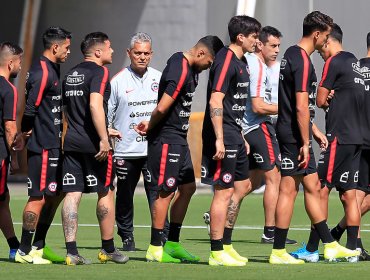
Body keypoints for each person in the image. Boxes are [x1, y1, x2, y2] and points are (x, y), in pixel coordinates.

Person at [269, 12, 360, 264]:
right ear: (317, 34)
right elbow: (299, 106)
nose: (326, 41)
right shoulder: (303, 61)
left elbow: (296, 104)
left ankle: (327, 244)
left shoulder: (290, 55)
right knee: (289, 190)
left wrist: (314, 131)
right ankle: (278, 252)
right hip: (293, 136)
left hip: (294, 132)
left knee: (312, 188)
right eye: (326, 36)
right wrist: (306, 143)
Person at [135, 35, 224, 263]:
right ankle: (156, 247)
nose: (208, 69)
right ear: (201, 54)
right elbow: (163, 106)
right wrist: (150, 124)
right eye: (210, 63)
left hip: (179, 139)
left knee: (188, 188)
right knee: (166, 191)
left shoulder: (191, 68)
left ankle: (172, 243)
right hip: (166, 139)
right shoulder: (180, 67)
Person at [291, 24, 366, 262]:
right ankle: (353, 250)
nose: (320, 51)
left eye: (322, 45)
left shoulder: (334, 62)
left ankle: (313, 249)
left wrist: (326, 97)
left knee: (319, 189)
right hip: (358, 139)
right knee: (350, 195)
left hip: (340, 136)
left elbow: (321, 98)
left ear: (327, 41)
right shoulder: (355, 63)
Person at [61, 32, 128, 265]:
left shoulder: (70, 74)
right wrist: (103, 137)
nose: (112, 51)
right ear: (98, 52)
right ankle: (108, 249)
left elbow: (70, 111)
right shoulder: (100, 72)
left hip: (71, 142)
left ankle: (71, 252)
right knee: (106, 191)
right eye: (109, 48)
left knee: (72, 193)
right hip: (93, 145)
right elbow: (94, 105)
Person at [201, 15, 261, 267]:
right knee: (223, 191)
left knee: (242, 185)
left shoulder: (243, 62)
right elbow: (216, 100)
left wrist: (240, 135)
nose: (257, 41)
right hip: (221, 133)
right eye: (254, 36)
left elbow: (234, 104)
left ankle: (226, 244)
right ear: (240, 37)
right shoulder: (225, 60)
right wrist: (220, 138)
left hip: (234, 132)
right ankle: (216, 251)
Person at [15, 27, 71, 264]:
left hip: (53, 144)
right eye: (67, 47)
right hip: (43, 145)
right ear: (55, 47)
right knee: (38, 197)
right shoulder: (42, 72)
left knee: (56, 193)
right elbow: (30, 109)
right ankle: (24, 251)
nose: (68, 52)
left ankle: (38, 246)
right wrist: (25, 133)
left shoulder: (52, 68)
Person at [108, 32, 168, 251]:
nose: (142, 57)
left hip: (152, 148)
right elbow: (107, 113)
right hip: (125, 150)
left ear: (151, 54)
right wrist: (108, 130)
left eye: (146, 53)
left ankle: (162, 235)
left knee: (158, 193)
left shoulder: (159, 78)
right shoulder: (117, 81)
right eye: (137, 53)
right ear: (129, 53)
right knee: (125, 195)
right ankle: (126, 236)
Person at [242, 26, 296, 245]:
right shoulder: (257, 66)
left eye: (278, 46)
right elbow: (257, 106)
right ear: (259, 44)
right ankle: (270, 232)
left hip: (247, 128)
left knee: (252, 181)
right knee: (275, 177)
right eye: (273, 46)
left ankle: (220, 215)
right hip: (257, 126)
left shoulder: (252, 63)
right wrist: (287, 108)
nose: (276, 50)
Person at [0, 42, 23, 261]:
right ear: (10, 63)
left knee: (3, 199)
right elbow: (9, 127)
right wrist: (15, 158)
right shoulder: (8, 89)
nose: (20, 66)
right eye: (19, 62)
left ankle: (14, 244)